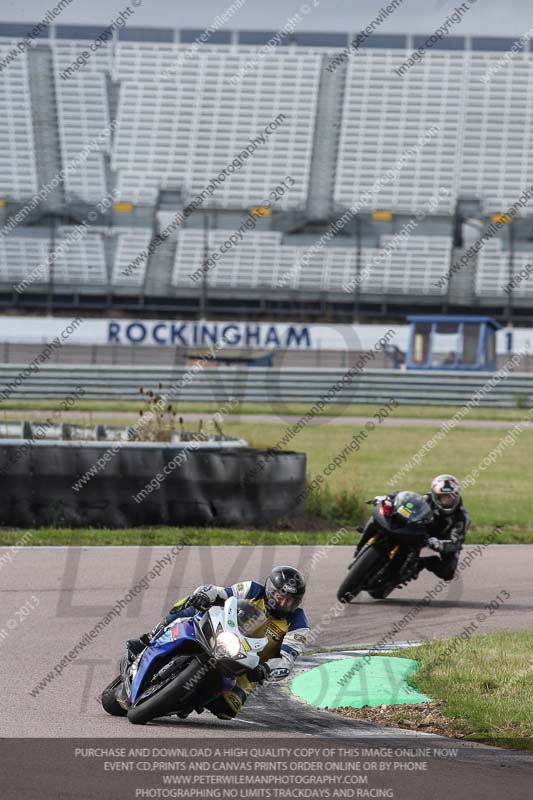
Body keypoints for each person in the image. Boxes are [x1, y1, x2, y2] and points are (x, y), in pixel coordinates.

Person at [126, 565, 310, 720]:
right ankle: (150, 638)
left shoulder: (298, 624)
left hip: (246, 669)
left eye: (290, 600)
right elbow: (222, 592)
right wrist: (206, 595)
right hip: (220, 635)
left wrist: (265, 670)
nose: (284, 602)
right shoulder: (253, 590)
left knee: (227, 709)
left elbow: (287, 658)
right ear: (271, 590)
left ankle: (184, 701)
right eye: (280, 595)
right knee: (191, 605)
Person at [360, 474, 469, 582]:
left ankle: (417, 566)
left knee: (448, 572)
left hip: (441, 541)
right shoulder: (426, 499)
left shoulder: (461, 517)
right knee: (382, 518)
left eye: (450, 497)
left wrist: (439, 544)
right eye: (443, 497)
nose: (446, 501)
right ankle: (363, 544)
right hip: (420, 531)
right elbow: (405, 500)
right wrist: (389, 498)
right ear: (435, 496)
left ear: (457, 495)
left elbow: (456, 543)